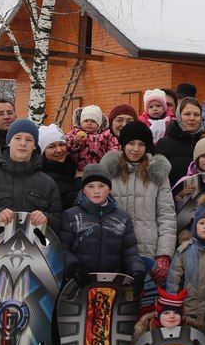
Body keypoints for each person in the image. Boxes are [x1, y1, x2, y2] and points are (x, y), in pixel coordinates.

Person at [100, 120, 177, 279]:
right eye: (131, 143)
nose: (136, 149)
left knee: (145, 301)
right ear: (123, 144)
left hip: (147, 252)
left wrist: (164, 254)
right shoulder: (108, 172)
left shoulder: (157, 174)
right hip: (113, 251)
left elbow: (167, 216)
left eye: (141, 144)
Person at [58, 164, 146, 295]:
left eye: (101, 186)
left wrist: (137, 271)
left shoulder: (122, 217)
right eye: (90, 186)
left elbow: (129, 251)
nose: (96, 191)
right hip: (79, 285)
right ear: (83, 190)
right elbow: (62, 249)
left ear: (109, 189)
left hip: (112, 286)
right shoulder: (70, 215)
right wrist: (74, 268)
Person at [162, 199, 205, 329]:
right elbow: (173, 281)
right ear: (195, 226)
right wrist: (171, 308)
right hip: (190, 313)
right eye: (201, 223)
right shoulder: (184, 250)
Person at [156, 97, 205, 178]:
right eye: (187, 114)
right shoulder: (164, 144)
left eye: (196, 114)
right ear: (179, 116)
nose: (192, 118)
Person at [39, 124, 80, 211]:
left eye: (62, 144)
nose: (59, 150)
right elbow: (69, 202)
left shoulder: (71, 166)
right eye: (51, 146)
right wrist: (79, 180)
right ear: (43, 152)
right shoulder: (44, 176)